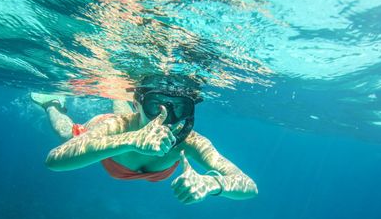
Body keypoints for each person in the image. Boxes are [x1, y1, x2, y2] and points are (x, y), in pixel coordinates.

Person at [31, 85, 258, 204]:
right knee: (66, 134)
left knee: (138, 120)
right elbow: (53, 160)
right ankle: (52, 104)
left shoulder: (188, 141)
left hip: (133, 125)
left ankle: (127, 99)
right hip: (118, 138)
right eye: (155, 105)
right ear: (139, 102)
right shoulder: (114, 128)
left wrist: (212, 183)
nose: (167, 118)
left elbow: (248, 186)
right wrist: (130, 140)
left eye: (180, 108)